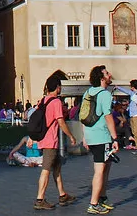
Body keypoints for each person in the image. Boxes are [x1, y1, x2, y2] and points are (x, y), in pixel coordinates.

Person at [32, 75, 78, 211]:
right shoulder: (56, 102)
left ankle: (63, 195)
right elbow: (60, 121)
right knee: (46, 170)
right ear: (58, 87)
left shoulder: (43, 101)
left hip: (45, 139)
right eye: (60, 87)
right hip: (50, 141)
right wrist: (71, 136)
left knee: (57, 168)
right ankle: (40, 199)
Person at [84, 66, 119, 214]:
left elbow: (83, 116)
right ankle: (93, 203)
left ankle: (102, 197)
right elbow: (108, 117)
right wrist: (115, 138)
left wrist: (85, 137)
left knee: (106, 166)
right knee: (99, 170)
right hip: (102, 137)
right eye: (106, 73)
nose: (110, 74)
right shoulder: (105, 94)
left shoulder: (88, 92)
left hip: (92, 136)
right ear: (102, 78)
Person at [126, 80, 137, 154]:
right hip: (132, 114)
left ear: (133, 87)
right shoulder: (133, 93)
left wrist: (118, 87)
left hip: (136, 114)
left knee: (136, 131)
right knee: (134, 131)